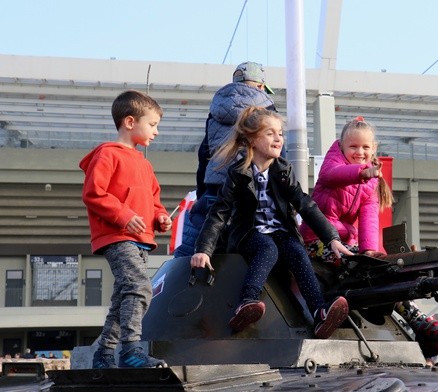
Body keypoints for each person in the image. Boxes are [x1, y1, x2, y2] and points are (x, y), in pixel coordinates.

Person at [299, 116, 438, 361]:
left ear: (374, 148)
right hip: (317, 239)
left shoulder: (370, 181)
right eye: (353, 147)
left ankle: (421, 323)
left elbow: (369, 217)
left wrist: (368, 251)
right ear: (341, 146)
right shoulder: (334, 164)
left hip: (346, 244)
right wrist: (363, 173)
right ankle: (421, 323)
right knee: (360, 270)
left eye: (365, 147)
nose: (359, 152)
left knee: (380, 270)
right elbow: (333, 175)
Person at [190, 106, 352, 338]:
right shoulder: (238, 173)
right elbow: (219, 212)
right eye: (270, 133)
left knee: (297, 252)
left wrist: (332, 238)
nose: (278, 139)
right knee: (268, 249)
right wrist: (204, 250)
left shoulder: (284, 170)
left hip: (280, 231)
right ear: (253, 140)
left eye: (280, 133)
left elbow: (304, 204)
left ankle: (319, 312)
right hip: (249, 233)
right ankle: (247, 302)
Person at [80, 90, 172, 369]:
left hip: (141, 240)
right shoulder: (107, 154)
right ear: (130, 122)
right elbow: (93, 193)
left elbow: (154, 202)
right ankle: (132, 350)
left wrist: (161, 217)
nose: (156, 131)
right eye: (153, 124)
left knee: (123, 298)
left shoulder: (145, 164)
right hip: (117, 237)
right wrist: (122, 215)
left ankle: (104, 355)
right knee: (139, 288)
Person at [174, 61, 276, 258]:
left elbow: (204, 155)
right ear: (261, 86)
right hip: (248, 191)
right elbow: (274, 155)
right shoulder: (265, 110)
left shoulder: (216, 110)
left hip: (214, 190)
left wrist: (204, 191)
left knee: (203, 250)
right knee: (251, 253)